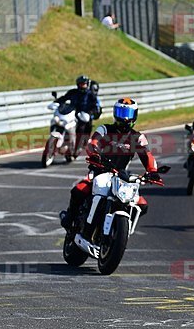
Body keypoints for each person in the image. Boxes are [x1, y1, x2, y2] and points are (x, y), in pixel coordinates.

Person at [60, 98, 163, 230]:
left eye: (128, 114)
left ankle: (119, 230)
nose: (125, 118)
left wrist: (152, 171)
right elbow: (92, 143)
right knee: (79, 190)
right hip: (99, 171)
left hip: (122, 177)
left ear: (135, 115)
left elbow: (147, 155)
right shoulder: (105, 129)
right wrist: (95, 154)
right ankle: (70, 219)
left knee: (142, 205)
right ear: (115, 113)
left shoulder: (138, 137)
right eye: (121, 113)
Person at [55, 75, 102, 152]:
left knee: (82, 127)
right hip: (72, 113)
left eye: (84, 84)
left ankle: (79, 144)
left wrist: (90, 113)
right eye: (81, 84)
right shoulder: (73, 92)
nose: (82, 85)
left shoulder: (90, 95)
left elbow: (95, 106)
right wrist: (57, 102)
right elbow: (64, 97)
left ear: (87, 84)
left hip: (84, 115)